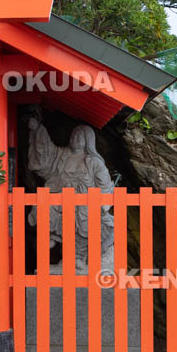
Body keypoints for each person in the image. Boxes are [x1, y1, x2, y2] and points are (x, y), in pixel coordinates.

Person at [26, 115, 115, 273]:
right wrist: (37, 129)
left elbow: (105, 184)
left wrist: (103, 202)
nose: (75, 138)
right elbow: (47, 154)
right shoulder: (62, 155)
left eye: (80, 136)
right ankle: (51, 239)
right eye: (74, 135)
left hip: (85, 204)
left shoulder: (93, 162)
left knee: (83, 227)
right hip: (61, 199)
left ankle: (77, 259)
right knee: (45, 206)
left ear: (88, 140)